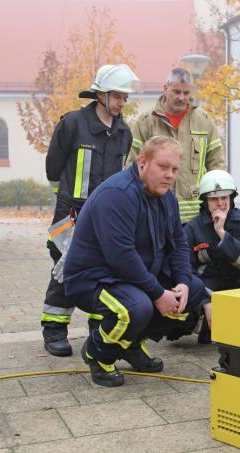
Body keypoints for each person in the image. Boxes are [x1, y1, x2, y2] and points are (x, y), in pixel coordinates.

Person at [62, 136, 212, 387]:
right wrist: (157, 293)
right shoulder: (117, 195)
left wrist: (184, 283)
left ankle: (130, 345)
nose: (169, 175)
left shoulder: (166, 198)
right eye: (163, 167)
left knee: (194, 292)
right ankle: (97, 353)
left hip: (132, 275)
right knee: (136, 307)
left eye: (174, 169)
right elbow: (121, 256)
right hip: (93, 279)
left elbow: (179, 243)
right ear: (143, 162)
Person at [40, 64, 139, 357]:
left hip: (105, 216)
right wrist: (67, 204)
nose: (122, 103)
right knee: (66, 267)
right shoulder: (72, 124)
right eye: (118, 96)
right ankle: (54, 328)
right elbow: (53, 168)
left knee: (104, 269)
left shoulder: (124, 132)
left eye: (125, 98)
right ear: (100, 94)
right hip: (71, 212)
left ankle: (98, 328)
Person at [125, 67, 225, 223]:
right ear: (165, 89)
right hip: (155, 212)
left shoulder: (204, 121)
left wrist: (216, 204)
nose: (181, 98)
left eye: (186, 93)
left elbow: (217, 166)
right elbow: (132, 166)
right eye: (176, 92)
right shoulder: (146, 121)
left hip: (196, 218)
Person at [184, 170, 240, 343]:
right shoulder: (192, 228)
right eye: (214, 199)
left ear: (232, 198)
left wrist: (221, 233)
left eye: (225, 197)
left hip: (238, 281)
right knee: (180, 323)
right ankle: (205, 324)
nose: (220, 203)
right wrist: (205, 301)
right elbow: (186, 269)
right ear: (205, 201)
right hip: (209, 285)